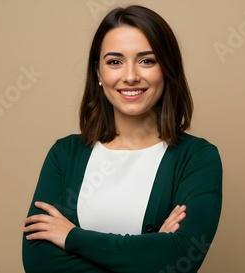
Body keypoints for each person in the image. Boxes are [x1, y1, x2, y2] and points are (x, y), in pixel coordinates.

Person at [22, 5, 222, 273]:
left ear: (167, 68)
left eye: (147, 60)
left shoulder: (197, 158)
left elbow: (178, 260)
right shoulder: (64, 153)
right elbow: (40, 262)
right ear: (98, 72)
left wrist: (71, 237)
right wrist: (150, 251)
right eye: (115, 62)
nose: (130, 77)